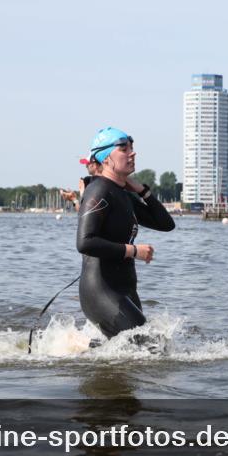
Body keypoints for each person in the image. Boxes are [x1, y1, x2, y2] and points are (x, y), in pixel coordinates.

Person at [76, 127, 175, 346]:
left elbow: (166, 224)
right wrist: (133, 251)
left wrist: (142, 191)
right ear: (105, 157)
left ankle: (76, 350)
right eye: (124, 148)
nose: (132, 153)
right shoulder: (99, 191)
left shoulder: (123, 194)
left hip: (125, 290)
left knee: (137, 354)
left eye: (132, 147)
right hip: (101, 290)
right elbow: (85, 242)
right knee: (152, 348)